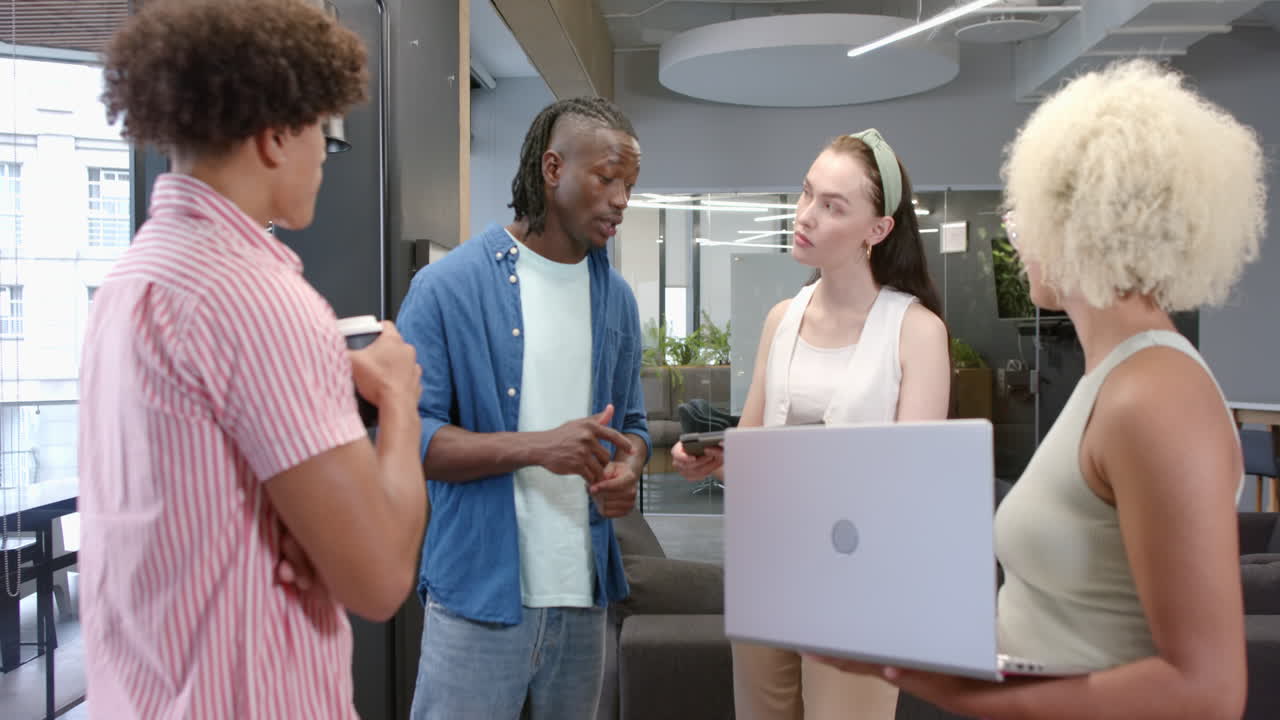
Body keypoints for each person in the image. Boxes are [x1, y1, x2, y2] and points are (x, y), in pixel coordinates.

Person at [814, 59, 1263, 720]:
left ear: (1084, 225)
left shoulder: (1155, 395)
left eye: (1025, 219)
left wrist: (939, 682)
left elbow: (1205, 691)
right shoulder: (1114, 380)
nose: (1017, 242)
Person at [80, 1, 427, 716]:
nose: (325, 162)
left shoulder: (129, 284)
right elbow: (381, 578)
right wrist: (397, 401)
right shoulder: (261, 300)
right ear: (275, 136)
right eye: (324, 136)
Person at [673, 128, 952, 719]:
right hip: (767, 566)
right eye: (806, 194)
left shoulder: (916, 331)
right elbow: (750, 447)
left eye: (832, 206)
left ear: (878, 231)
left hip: (860, 585)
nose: (805, 215)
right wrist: (716, 457)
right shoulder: (782, 318)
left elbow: (918, 487)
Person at [395, 96, 649, 720]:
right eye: (607, 178)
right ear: (553, 168)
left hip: (583, 599)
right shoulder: (448, 286)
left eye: (630, 184)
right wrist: (540, 447)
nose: (621, 199)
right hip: (477, 602)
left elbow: (634, 427)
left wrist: (630, 468)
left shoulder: (615, 298)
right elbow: (407, 442)